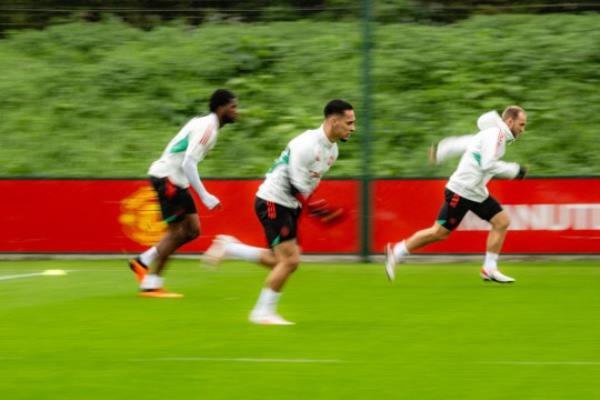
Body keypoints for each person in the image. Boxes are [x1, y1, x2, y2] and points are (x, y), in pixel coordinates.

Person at [203, 99, 356, 324]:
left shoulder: (332, 150)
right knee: (290, 261)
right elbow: (292, 183)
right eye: (349, 122)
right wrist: (316, 210)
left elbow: (306, 184)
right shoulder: (306, 144)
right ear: (334, 121)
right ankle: (262, 313)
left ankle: (231, 248)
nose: (353, 128)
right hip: (274, 200)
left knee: (279, 261)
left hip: (290, 203)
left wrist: (312, 207)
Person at [385, 105, 528, 283]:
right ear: (509, 121)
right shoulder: (496, 135)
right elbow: (487, 164)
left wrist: (440, 151)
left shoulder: (492, 134)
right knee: (439, 233)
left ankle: (489, 269)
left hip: (476, 192)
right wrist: (514, 170)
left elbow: (463, 143)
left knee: (502, 222)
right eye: (521, 125)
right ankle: (397, 251)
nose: (523, 130)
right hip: (461, 191)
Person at [128, 89, 238, 298]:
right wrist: (205, 195)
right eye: (233, 107)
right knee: (177, 232)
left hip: (175, 180)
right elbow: (189, 162)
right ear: (220, 107)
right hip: (168, 178)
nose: (236, 112)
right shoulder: (208, 128)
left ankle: (143, 262)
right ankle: (151, 284)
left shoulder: (208, 125)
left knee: (192, 230)